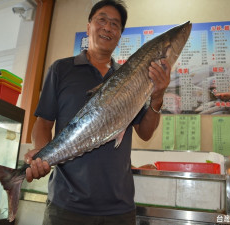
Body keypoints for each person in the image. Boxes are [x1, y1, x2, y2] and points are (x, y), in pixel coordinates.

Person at [24, 0, 171, 224]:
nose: (108, 27)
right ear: (89, 26)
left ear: (120, 34)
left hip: (119, 207)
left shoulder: (130, 77)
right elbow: (43, 122)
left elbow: (145, 132)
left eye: (115, 24)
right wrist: (41, 155)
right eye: (101, 20)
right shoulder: (61, 69)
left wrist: (158, 96)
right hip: (66, 205)